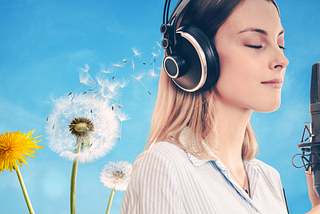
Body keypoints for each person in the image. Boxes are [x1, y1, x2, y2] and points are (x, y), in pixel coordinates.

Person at [121, 0, 320, 213]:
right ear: (196, 56)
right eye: (255, 43)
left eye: (281, 45)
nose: (282, 59)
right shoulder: (163, 165)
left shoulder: (269, 179)